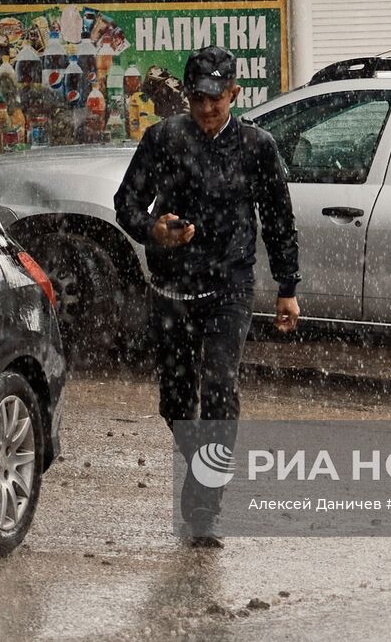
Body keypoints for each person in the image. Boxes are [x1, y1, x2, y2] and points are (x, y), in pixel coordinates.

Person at [114, 45, 300, 547]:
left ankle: (203, 511)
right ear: (186, 95)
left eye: (216, 99)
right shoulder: (162, 139)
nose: (206, 108)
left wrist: (287, 287)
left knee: (220, 389)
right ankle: (203, 463)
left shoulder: (257, 147)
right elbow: (125, 204)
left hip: (230, 287)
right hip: (172, 288)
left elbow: (280, 220)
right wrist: (155, 229)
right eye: (197, 98)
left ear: (234, 94)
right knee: (176, 401)